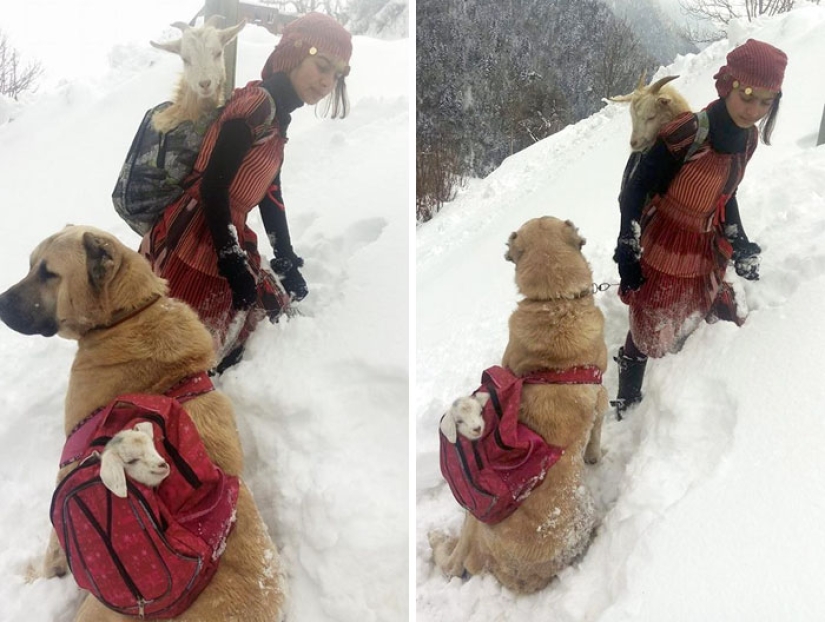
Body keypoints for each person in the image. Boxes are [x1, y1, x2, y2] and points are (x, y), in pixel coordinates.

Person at [140, 12, 353, 372]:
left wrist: (285, 256)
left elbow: (271, 192)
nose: (327, 81)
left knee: (263, 323)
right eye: (322, 66)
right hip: (198, 234)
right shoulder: (257, 106)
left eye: (337, 74)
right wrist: (230, 259)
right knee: (185, 353)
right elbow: (213, 185)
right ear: (293, 54)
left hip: (223, 231)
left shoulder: (276, 115)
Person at [612, 38, 788, 416]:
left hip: (704, 243)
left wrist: (739, 241)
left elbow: (727, 193)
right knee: (649, 319)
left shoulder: (748, 140)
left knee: (698, 306)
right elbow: (636, 189)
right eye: (746, 95)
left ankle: (692, 363)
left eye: (766, 101)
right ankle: (627, 397)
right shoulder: (687, 132)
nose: (754, 109)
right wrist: (627, 245)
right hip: (665, 240)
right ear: (727, 85)